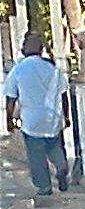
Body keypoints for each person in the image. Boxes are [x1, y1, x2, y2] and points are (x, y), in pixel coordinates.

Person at [4, 32, 72, 196]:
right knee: (55, 146)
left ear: (24, 49)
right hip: (53, 118)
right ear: (41, 49)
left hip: (31, 121)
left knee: (36, 156)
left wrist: (10, 120)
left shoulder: (18, 70)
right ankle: (61, 167)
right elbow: (64, 95)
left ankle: (44, 186)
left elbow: (11, 98)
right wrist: (66, 116)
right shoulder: (52, 68)